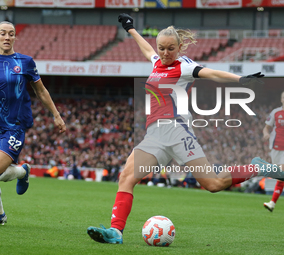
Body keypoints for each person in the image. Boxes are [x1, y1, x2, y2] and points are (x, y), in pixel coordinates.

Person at [87, 13, 283, 244]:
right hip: (154, 135)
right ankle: (116, 232)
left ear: (179, 47)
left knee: (214, 184)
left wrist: (239, 80)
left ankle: (254, 167)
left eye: (170, 49)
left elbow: (212, 73)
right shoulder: (157, 62)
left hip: (178, 132)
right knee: (126, 178)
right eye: (162, 48)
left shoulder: (185, 66)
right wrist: (130, 29)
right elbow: (146, 50)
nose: (165, 53)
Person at [0, 21, 66, 226]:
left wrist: (56, 115)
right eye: (2, 34)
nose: (7, 37)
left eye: (11, 34)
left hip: (14, 125)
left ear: (14, 38)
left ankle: (22, 171)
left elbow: (41, 91)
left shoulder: (25, 62)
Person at [263, 91, 284, 212]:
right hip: (276, 148)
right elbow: (266, 127)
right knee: (279, 176)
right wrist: (266, 134)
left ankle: (272, 203)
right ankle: (272, 203)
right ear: (281, 99)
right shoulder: (275, 112)